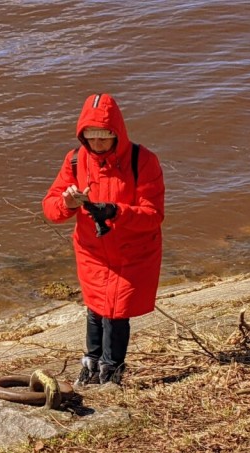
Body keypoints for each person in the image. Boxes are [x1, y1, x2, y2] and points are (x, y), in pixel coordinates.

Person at [42, 93, 165, 387]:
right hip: (92, 251)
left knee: (117, 312)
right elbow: (50, 208)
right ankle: (90, 364)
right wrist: (68, 204)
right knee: (96, 308)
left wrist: (116, 211)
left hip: (132, 253)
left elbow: (153, 215)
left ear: (117, 134)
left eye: (104, 139)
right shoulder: (75, 161)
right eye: (91, 139)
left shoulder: (143, 161)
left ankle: (111, 371)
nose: (97, 146)